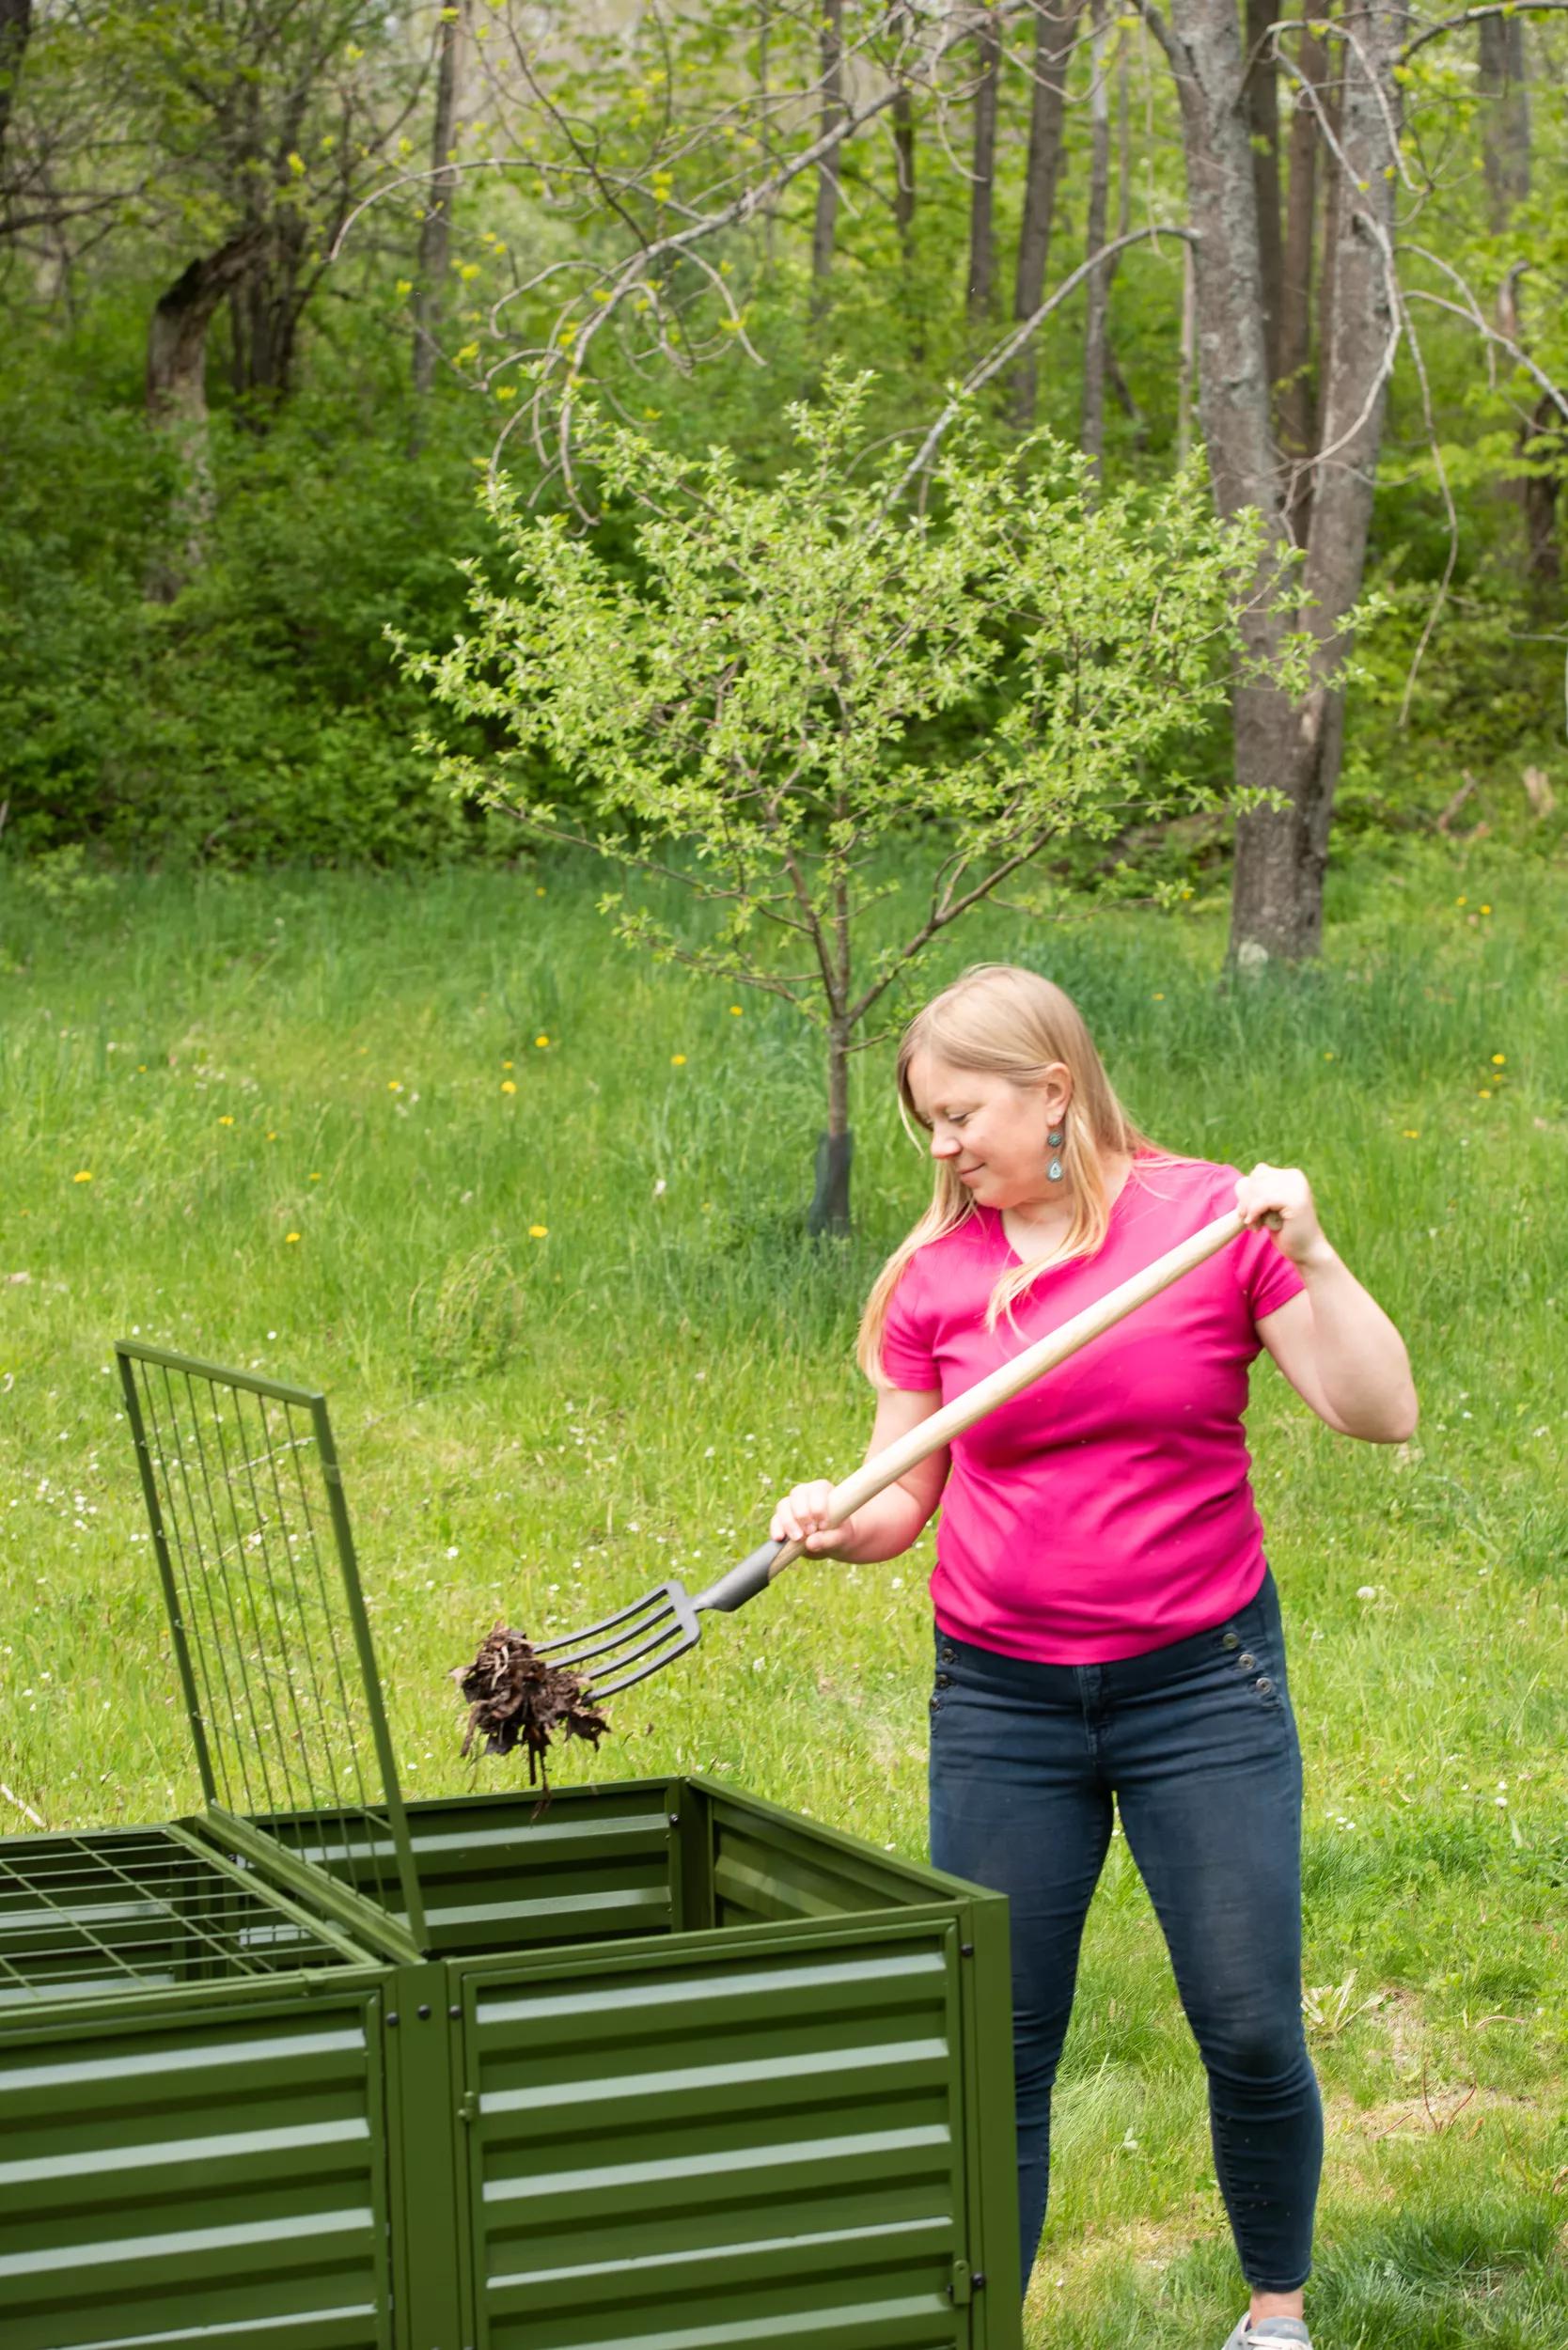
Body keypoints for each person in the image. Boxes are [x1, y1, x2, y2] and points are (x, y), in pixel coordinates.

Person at [770, 964, 1417, 2350]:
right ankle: (985, 2331)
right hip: (1002, 1702)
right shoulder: (935, 1281)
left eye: (959, 1117)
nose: (942, 1150)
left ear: (1052, 1089)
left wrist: (1309, 1250)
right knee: (999, 2046)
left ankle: (1276, 2318)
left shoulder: (1209, 1222)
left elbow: (1381, 1409)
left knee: (1247, 2025)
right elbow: (903, 1493)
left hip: (1202, 1687)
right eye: (924, 1125)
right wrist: (836, 1515)